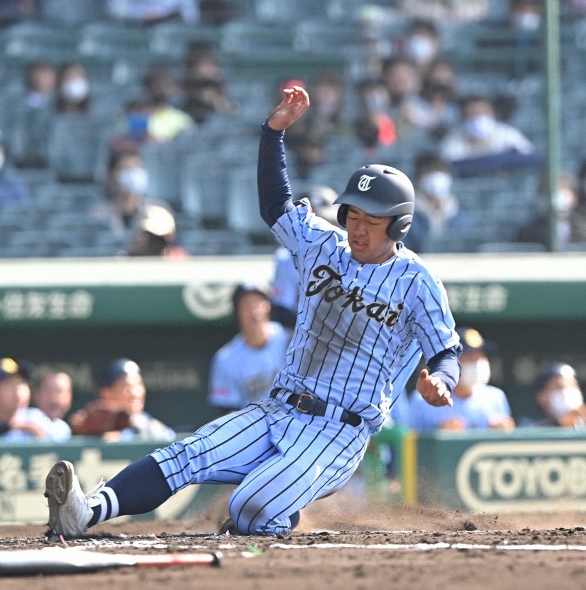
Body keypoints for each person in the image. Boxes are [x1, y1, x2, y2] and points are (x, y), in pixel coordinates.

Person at [44, 84, 460, 539]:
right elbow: (276, 206)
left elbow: (446, 351)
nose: (357, 228)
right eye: (353, 216)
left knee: (250, 505)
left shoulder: (418, 282)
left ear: (398, 224)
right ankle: (85, 513)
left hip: (339, 431)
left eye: (371, 221)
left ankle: (274, 529)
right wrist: (273, 134)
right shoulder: (324, 246)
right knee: (186, 453)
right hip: (279, 407)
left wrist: (441, 381)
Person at [407, 327, 514, 432]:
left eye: (480, 357)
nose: (476, 363)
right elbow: (407, 442)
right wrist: (438, 433)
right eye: (469, 358)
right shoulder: (423, 399)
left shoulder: (495, 398)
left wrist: (503, 430)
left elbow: (506, 443)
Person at [207, 283, 289, 414]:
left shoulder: (290, 339)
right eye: (246, 305)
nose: (253, 311)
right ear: (237, 312)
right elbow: (228, 410)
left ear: (268, 306)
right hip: (256, 425)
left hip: (294, 418)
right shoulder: (226, 358)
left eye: (257, 303)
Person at [269, 185, 339, 328]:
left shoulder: (346, 252)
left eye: (329, 223)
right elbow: (282, 311)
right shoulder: (288, 257)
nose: (326, 229)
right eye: (319, 222)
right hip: (301, 336)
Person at [68, 358, 175, 441]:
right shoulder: (89, 422)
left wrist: (122, 437)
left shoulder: (152, 426)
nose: (135, 393)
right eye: (127, 387)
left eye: (139, 385)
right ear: (106, 392)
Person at [439, 95, 538, 176]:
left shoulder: (507, 133)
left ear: (493, 114)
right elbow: (449, 166)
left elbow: (529, 158)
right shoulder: (453, 138)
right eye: (472, 114)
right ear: (462, 118)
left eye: (484, 112)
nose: (479, 117)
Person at [0, 358, 70, 443]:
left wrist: (38, 434)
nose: (18, 391)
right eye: (9, 385)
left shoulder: (38, 419)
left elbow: (62, 437)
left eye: (21, 383)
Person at [524, 363, 586, 429]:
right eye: (560, 387)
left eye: (574, 385)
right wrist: (562, 423)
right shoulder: (530, 427)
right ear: (542, 397)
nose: (569, 390)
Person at [31, 366, 73, 436]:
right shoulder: (25, 417)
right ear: (36, 394)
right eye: (48, 390)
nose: (54, 399)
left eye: (59, 391)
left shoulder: (64, 429)